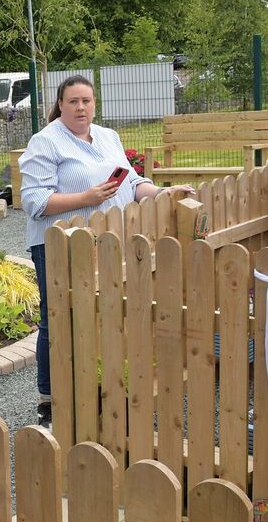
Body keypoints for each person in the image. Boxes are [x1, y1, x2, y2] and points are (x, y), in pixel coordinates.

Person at [20, 75, 192, 429]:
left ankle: (96, 388)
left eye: (86, 101)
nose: (81, 107)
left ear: (95, 103)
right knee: (57, 318)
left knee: (102, 314)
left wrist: (161, 193)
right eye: (73, 102)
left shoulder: (109, 136)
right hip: (58, 244)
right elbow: (34, 202)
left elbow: (131, 182)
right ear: (60, 104)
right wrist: (87, 198)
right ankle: (49, 400)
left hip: (110, 241)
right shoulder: (45, 142)